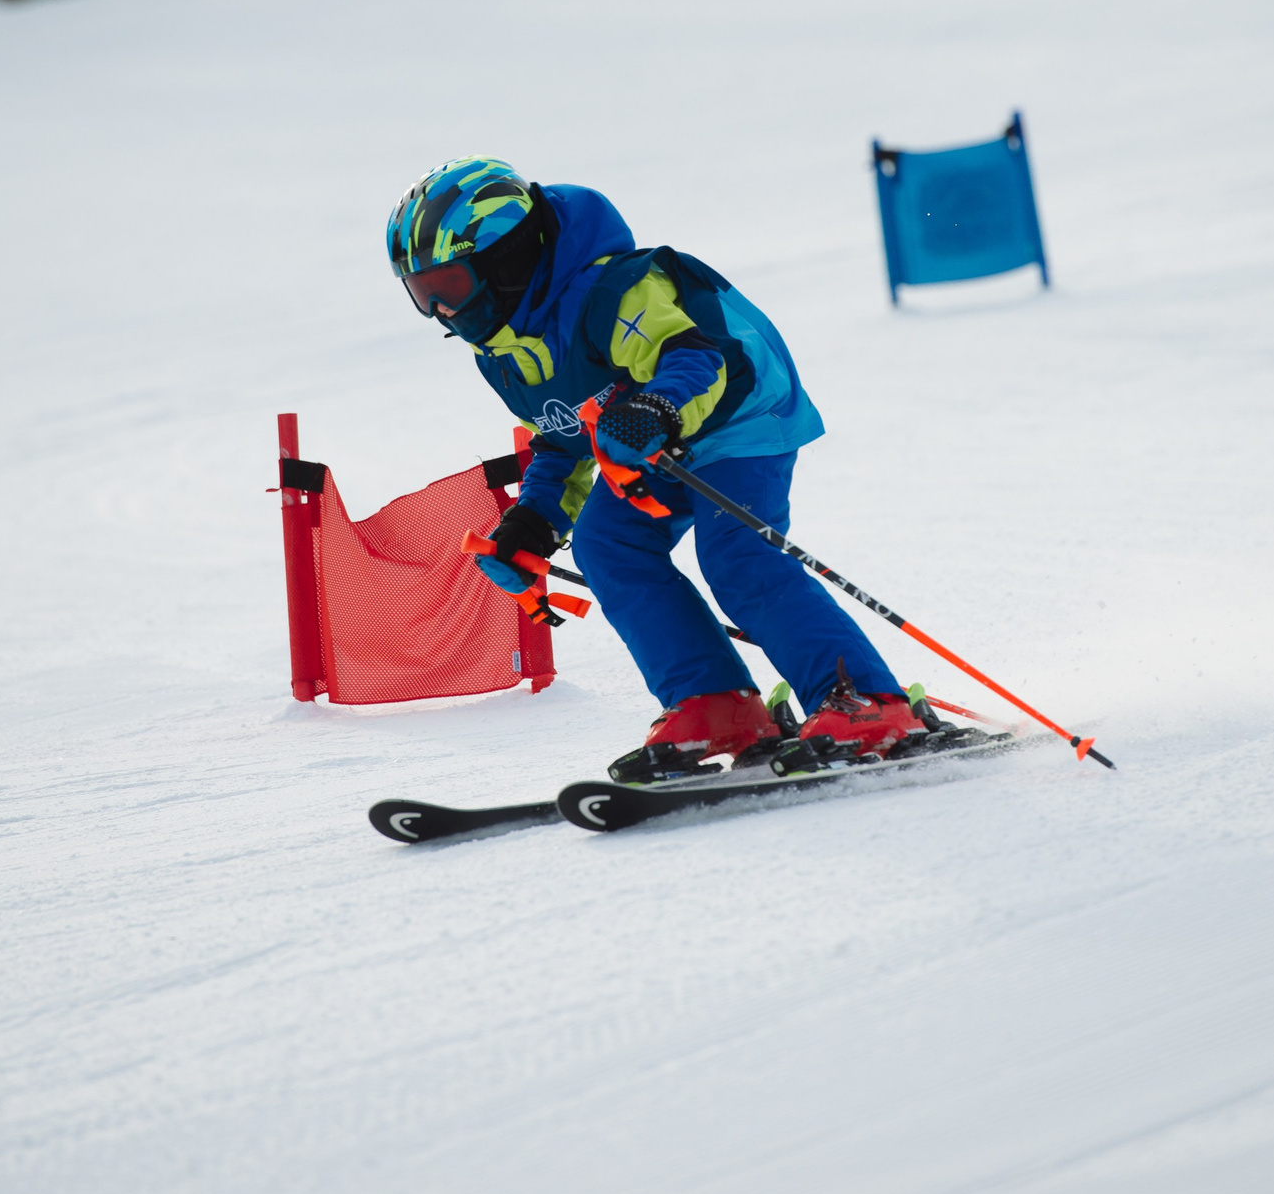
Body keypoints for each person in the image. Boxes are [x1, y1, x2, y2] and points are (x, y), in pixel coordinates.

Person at [386, 155, 922, 775]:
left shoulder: (616, 290)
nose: (442, 313)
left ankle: (868, 702)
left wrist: (655, 408)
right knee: (606, 546)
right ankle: (714, 701)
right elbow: (562, 440)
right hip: (644, 441)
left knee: (738, 559)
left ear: (506, 260)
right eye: (423, 296)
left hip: (737, 420)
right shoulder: (506, 355)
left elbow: (698, 359)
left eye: (449, 286)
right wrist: (533, 522)